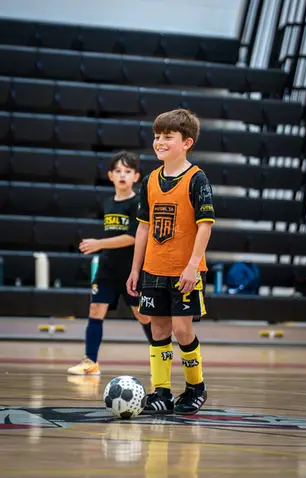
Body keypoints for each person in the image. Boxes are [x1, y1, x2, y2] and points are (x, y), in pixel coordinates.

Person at [127, 109, 215, 414]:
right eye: (157, 136)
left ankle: (195, 387)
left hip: (184, 271)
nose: (159, 142)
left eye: (168, 137)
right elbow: (143, 227)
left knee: (181, 331)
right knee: (158, 330)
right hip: (153, 269)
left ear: (186, 142)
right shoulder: (150, 180)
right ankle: (160, 392)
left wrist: (192, 265)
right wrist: (135, 269)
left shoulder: (197, 178)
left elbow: (205, 225)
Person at [68, 151, 152, 375]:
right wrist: (102, 247)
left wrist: (99, 243)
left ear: (136, 177)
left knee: (142, 314)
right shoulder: (107, 202)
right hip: (107, 267)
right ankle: (90, 361)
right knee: (95, 309)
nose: (122, 175)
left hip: (131, 269)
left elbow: (133, 237)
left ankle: (158, 356)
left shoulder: (138, 203)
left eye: (128, 171)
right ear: (110, 175)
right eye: (118, 171)